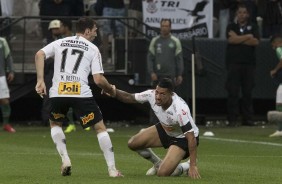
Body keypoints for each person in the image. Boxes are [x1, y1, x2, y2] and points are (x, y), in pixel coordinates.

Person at [34, 17, 123, 177]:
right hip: (80, 92)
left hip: (58, 92)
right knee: (100, 128)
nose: (96, 34)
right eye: (95, 30)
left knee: (55, 124)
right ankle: (112, 169)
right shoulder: (93, 48)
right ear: (87, 30)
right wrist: (110, 89)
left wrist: (40, 81)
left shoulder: (61, 42)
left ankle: (65, 159)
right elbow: (98, 79)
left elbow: (39, 54)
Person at [103, 78, 200, 179]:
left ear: (171, 94)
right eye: (157, 92)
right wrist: (112, 91)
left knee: (162, 173)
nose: (158, 97)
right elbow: (129, 97)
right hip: (166, 129)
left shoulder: (180, 109)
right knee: (133, 144)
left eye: (162, 94)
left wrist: (193, 165)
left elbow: (191, 138)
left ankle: (185, 166)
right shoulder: (151, 95)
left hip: (182, 138)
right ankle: (157, 163)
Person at [225, 3, 260, 126]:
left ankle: (248, 119)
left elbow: (255, 42)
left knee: (247, 92)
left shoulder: (253, 26)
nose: (242, 15)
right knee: (233, 92)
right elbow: (231, 40)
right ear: (236, 14)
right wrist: (247, 37)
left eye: (244, 12)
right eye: (240, 12)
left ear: (248, 14)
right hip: (233, 64)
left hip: (249, 65)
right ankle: (232, 119)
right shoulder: (231, 26)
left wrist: (238, 38)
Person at [147, 18, 184, 124]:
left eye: (166, 26)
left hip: (170, 76)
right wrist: (151, 72)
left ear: (170, 27)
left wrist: (179, 74)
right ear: (160, 27)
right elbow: (150, 58)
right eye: (163, 26)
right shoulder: (155, 41)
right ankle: (153, 123)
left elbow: (179, 59)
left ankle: (171, 122)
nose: (164, 28)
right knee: (155, 100)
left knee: (171, 100)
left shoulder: (175, 41)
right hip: (158, 76)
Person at [0, 36, 15, 133]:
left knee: (4, 100)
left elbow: (8, 56)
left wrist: (11, 70)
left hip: (0, 75)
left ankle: (6, 124)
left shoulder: (2, 41)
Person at [268, 35, 282, 137]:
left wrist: (275, 70)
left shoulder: (279, 48)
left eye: (272, 44)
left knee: (279, 101)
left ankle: (280, 129)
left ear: (276, 43)